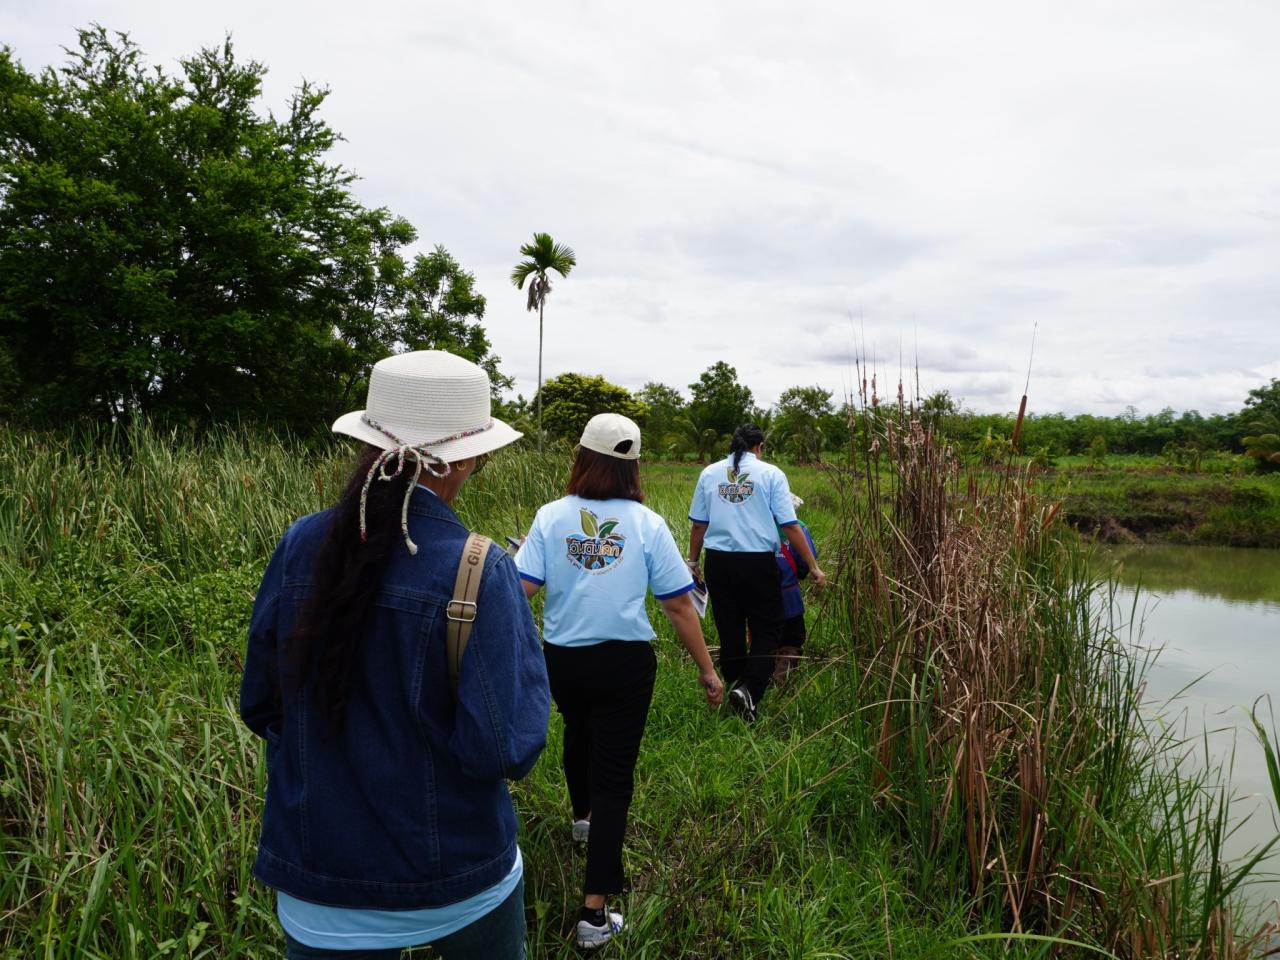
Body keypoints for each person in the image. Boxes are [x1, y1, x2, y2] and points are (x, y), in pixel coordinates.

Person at [240, 351, 550, 960]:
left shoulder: (300, 544)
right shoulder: (478, 568)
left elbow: (262, 705)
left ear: (368, 444)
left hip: (317, 877)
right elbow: (505, 747)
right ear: (472, 457)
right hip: (457, 879)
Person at [515, 413, 724, 951]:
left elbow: (521, 590)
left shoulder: (550, 517)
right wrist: (707, 670)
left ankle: (583, 819)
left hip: (562, 657)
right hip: (624, 664)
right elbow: (678, 604)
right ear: (633, 467)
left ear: (581, 458)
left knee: (576, 731)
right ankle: (593, 914)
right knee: (616, 777)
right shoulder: (647, 523)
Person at [687, 424, 826, 722]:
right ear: (759, 447)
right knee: (768, 628)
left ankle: (738, 689)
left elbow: (699, 524)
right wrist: (812, 565)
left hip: (719, 562)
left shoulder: (710, 473)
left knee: (730, 627)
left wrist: (693, 561)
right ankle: (749, 690)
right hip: (757, 563)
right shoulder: (771, 474)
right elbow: (789, 524)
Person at [772, 498, 818, 682]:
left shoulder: (756, 527)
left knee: (765, 634)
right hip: (789, 596)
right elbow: (806, 562)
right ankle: (783, 673)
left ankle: (763, 669)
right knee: (793, 636)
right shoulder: (799, 528)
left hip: (759, 595)